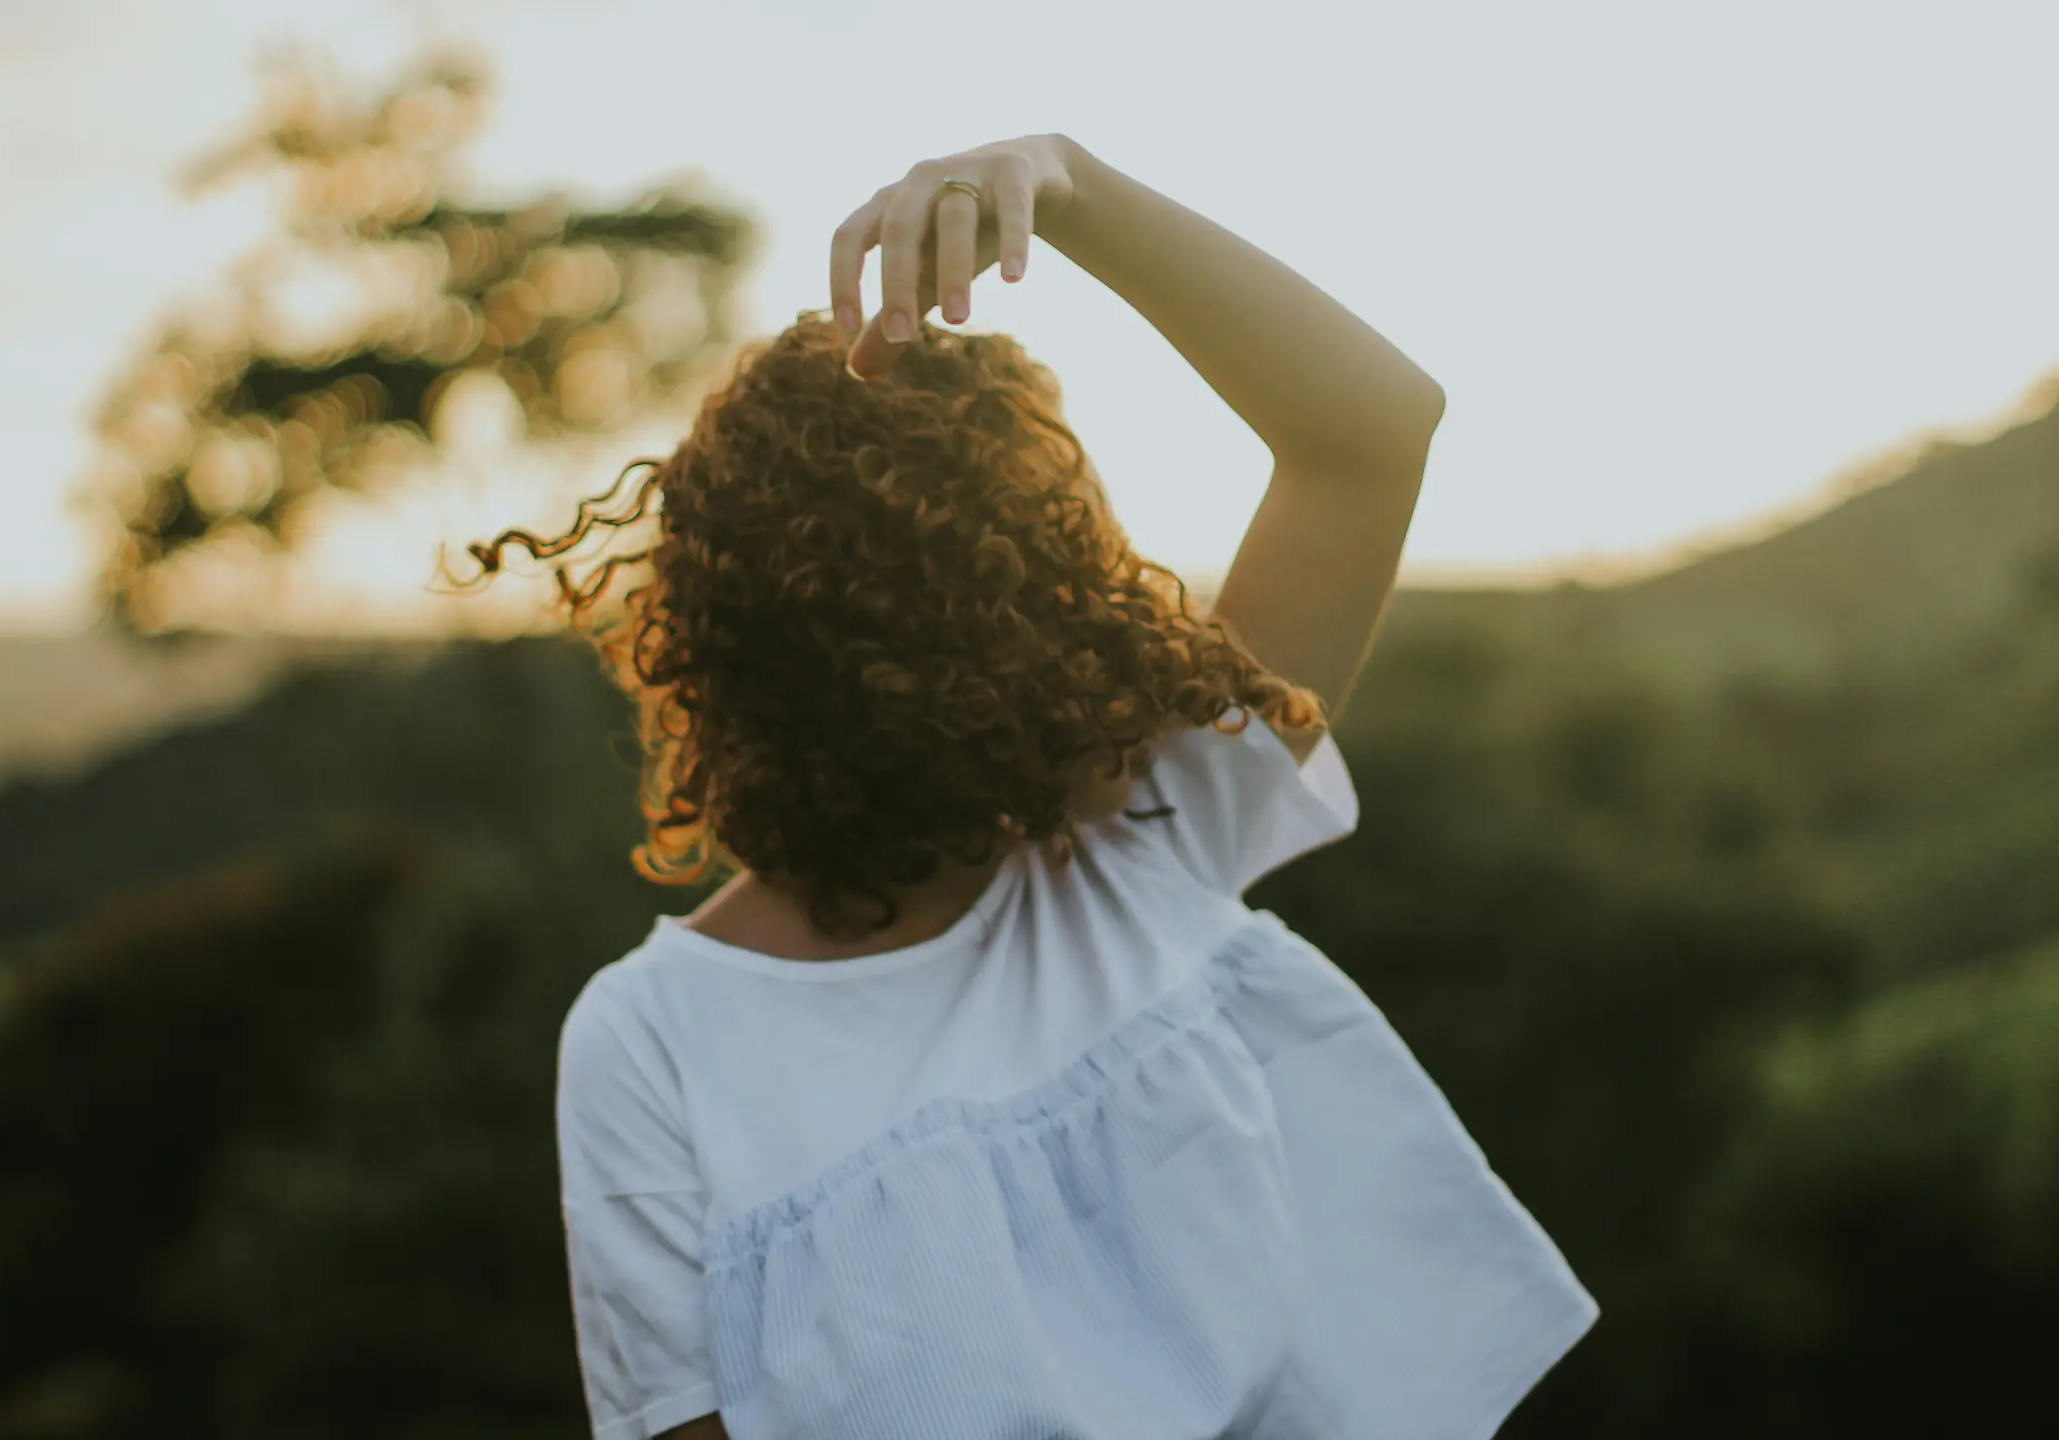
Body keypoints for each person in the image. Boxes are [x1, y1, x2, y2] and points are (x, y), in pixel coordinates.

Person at [492, 133, 1596, 1439]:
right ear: (1061, 617)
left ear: (714, 653)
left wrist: (1070, 183)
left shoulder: (1135, 837)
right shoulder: (659, 1044)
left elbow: (1370, 432)